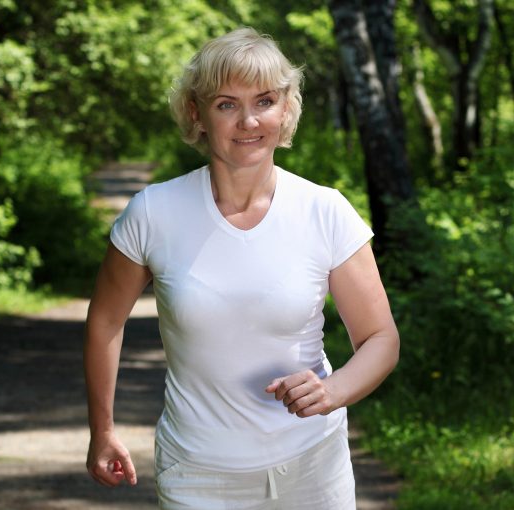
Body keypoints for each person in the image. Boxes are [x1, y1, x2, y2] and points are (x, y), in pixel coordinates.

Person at [84, 27, 400, 509]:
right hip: (197, 474)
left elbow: (381, 339)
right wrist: (102, 430)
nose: (249, 120)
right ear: (197, 113)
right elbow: (105, 320)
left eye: (265, 101)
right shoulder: (153, 212)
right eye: (227, 104)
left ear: (287, 108)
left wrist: (333, 391)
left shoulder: (326, 211)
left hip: (314, 468)